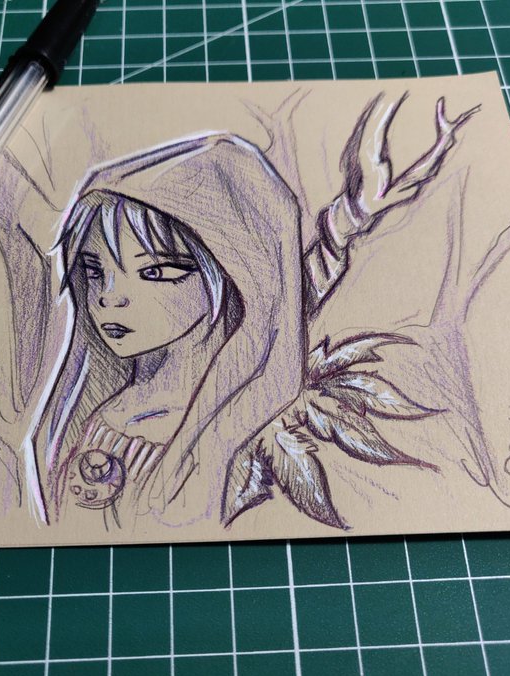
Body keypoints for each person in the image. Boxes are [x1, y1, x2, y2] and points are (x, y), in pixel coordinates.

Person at [25, 95, 477, 529]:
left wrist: (351, 217)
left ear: (229, 271)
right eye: (93, 270)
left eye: (155, 272)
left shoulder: (235, 411)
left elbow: (277, 301)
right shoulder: (90, 415)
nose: (108, 297)